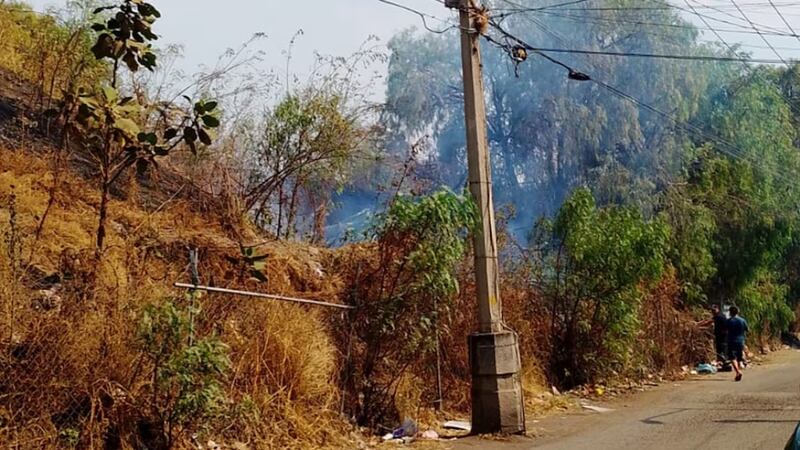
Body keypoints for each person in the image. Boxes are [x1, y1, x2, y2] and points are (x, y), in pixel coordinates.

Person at [726, 306, 748, 382]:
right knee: (739, 357)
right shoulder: (742, 320)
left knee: (732, 357)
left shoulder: (729, 321)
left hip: (731, 341)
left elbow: (724, 330)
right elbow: (747, 330)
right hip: (740, 341)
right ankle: (739, 370)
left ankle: (738, 372)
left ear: (730, 312)